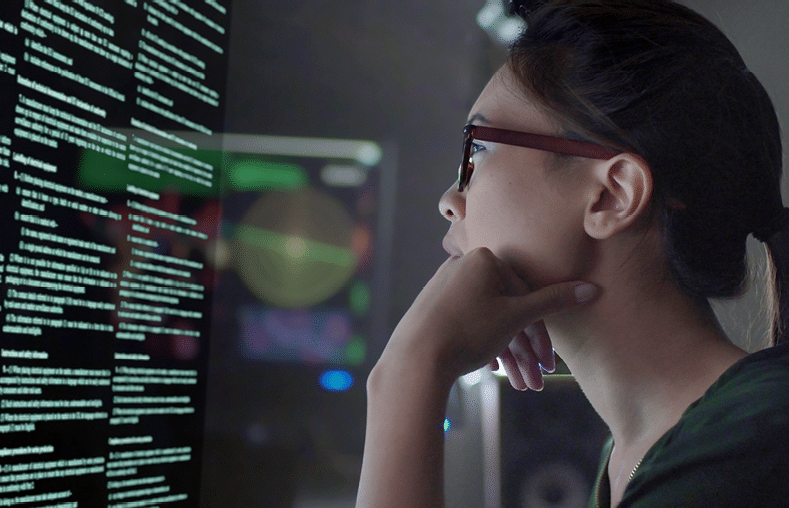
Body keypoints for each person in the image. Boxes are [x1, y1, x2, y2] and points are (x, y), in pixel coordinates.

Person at [355, 1, 789, 507]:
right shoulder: (640, 450)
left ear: (612, 195)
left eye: (478, 150)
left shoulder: (748, 443)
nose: (449, 200)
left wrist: (408, 373)